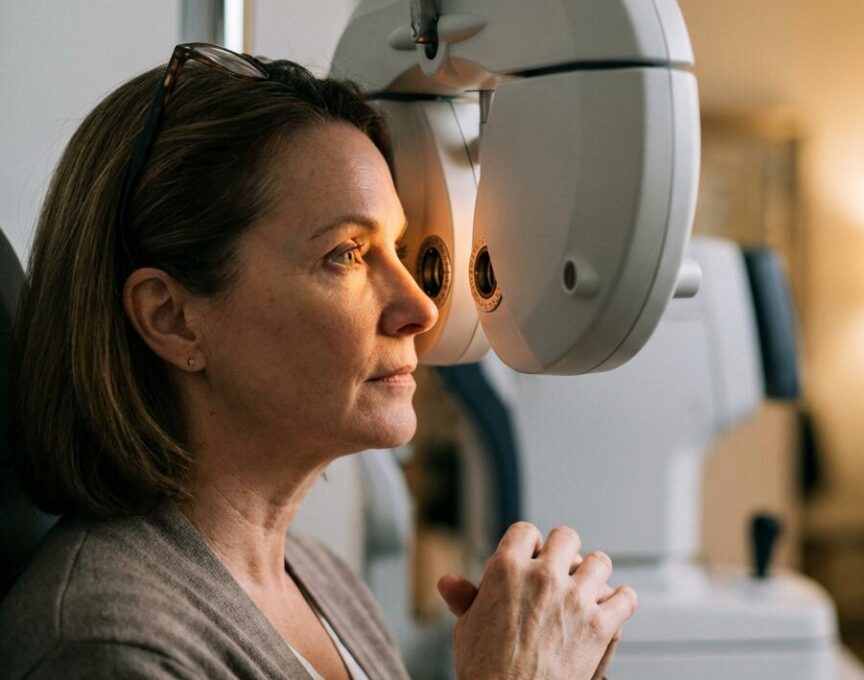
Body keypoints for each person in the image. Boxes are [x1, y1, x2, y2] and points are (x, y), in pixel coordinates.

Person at [0, 44, 635, 679]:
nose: (420, 308)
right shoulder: (107, 646)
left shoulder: (323, 581)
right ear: (171, 316)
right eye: (347, 254)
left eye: (400, 248)